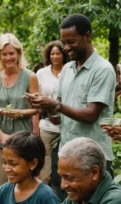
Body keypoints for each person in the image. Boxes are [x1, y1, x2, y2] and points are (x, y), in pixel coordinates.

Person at [25, 14, 116, 175]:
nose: (65, 48)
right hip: (67, 154)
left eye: (71, 42)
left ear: (87, 37)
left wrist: (55, 105)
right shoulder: (67, 69)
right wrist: (44, 106)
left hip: (92, 158)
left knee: (93, 201)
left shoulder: (102, 69)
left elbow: (90, 115)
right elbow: (58, 116)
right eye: (64, 43)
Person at [0, 33, 39, 189]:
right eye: (4, 54)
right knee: (1, 184)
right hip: (0, 140)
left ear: (18, 53)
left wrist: (21, 113)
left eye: (11, 53)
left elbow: (37, 108)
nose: (8, 57)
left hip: (23, 140)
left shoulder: (30, 76)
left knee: (24, 183)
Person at [37, 40, 68, 188]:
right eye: (52, 54)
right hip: (46, 125)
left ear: (63, 55)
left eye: (58, 53)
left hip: (66, 124)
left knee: (63, 161)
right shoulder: (42, 73)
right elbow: (36, 98)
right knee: (45, 163)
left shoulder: (69, 70)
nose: (55, 56)